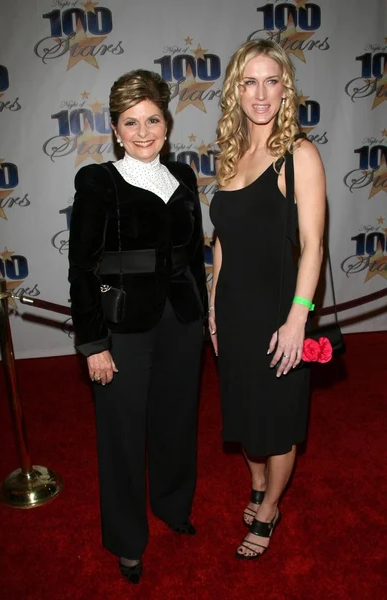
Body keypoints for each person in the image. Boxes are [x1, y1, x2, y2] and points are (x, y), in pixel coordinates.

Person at [68, 69, 207, 584]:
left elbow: (194, 256)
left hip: (182, 321)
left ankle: (173, 506)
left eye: (153, 119)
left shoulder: (186, 178)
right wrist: (94, 342)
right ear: (115, 127)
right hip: (122, 326)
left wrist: (204, 311)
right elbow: (83, 269)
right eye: (131, 122)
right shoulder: (98, 181)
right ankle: (127, 541)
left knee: (177, 421)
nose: (143, 132)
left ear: (167, 123)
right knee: (123, 436)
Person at [209, 40, 326, 559]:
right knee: (243, 416)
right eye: (249, 82)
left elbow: (314, 245)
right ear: (236, 89)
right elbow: (221, 241)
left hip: (280, 315)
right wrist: (213, 309)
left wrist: (298, 319)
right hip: (233, 312)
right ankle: (257, 486)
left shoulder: (299, 154)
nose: (261, 93)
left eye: (271, 81)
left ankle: (271, 505)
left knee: (276, 423)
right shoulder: (232, 155)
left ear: (286, 89)